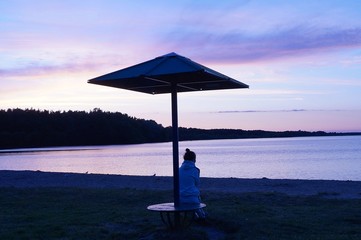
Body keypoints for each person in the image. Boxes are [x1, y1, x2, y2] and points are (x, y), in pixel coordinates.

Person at [179, 148, 206, 219]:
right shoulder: (195, 170)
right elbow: (197, 184)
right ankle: (202, 217)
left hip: (180, 198)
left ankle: (195, 217)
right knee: (196, 195)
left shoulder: (179, 170)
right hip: (193, 199)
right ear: (194, 159)